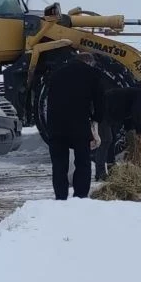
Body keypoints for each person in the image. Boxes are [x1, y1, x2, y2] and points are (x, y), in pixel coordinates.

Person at [45, 52, 105, 200]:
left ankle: (61, 197)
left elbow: (48, 97)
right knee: (83, 162)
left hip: (55, 125)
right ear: (89, 63)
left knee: (59, 164)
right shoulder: (92, 73)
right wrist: (96, 120)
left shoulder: (57, 72)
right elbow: (100, 101)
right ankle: (80, 196)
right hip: (79, 124)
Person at [94, 80, 141, 181]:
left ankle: (111, 168)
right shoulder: (139, 94)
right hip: (102, 112)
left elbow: (129, 117)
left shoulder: (137, 94)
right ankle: (100, 174)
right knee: (106, 140)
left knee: (112, 140)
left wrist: (132, 132)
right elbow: (136, 114)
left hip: (110, 115)